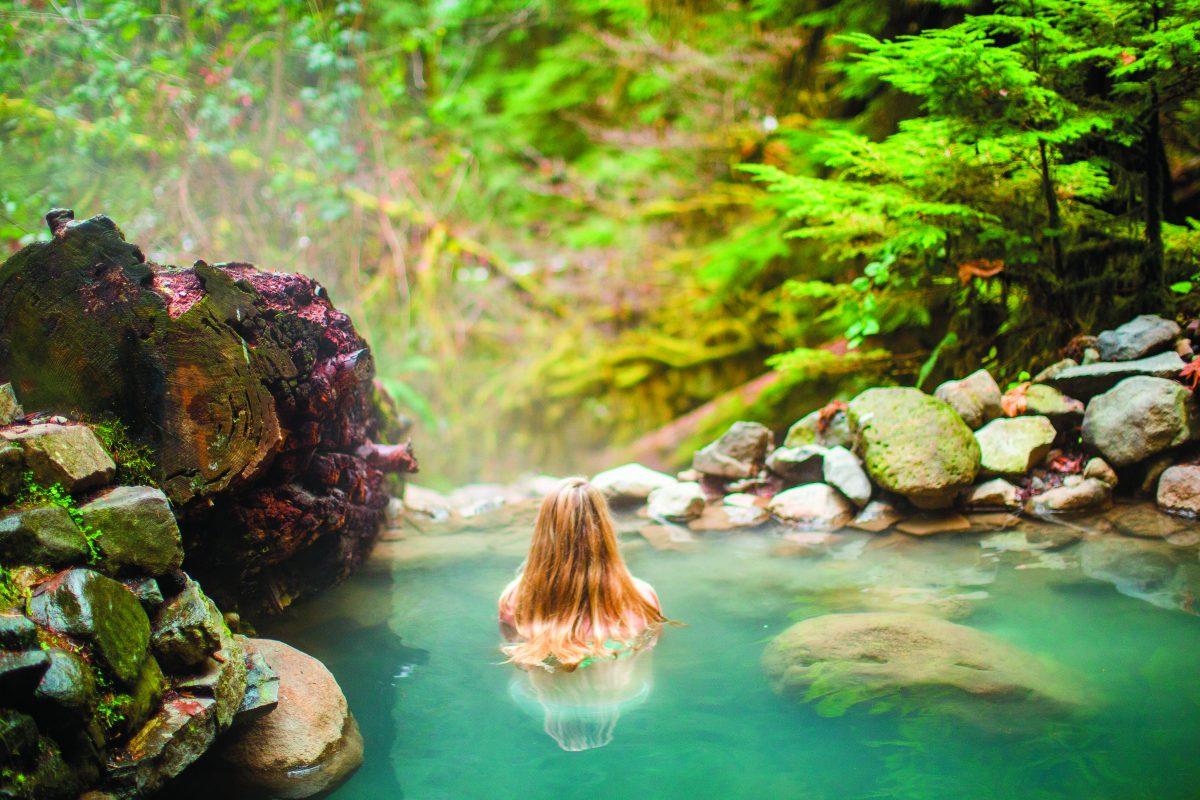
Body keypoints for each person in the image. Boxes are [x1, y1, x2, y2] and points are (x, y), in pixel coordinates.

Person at [498, 476, 665, 672]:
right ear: (605, 529)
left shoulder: (514, 600)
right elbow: (647, 659)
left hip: (545, 698)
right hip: (622, 696)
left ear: (542, 531)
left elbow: (520, 663)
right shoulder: (642, 598)